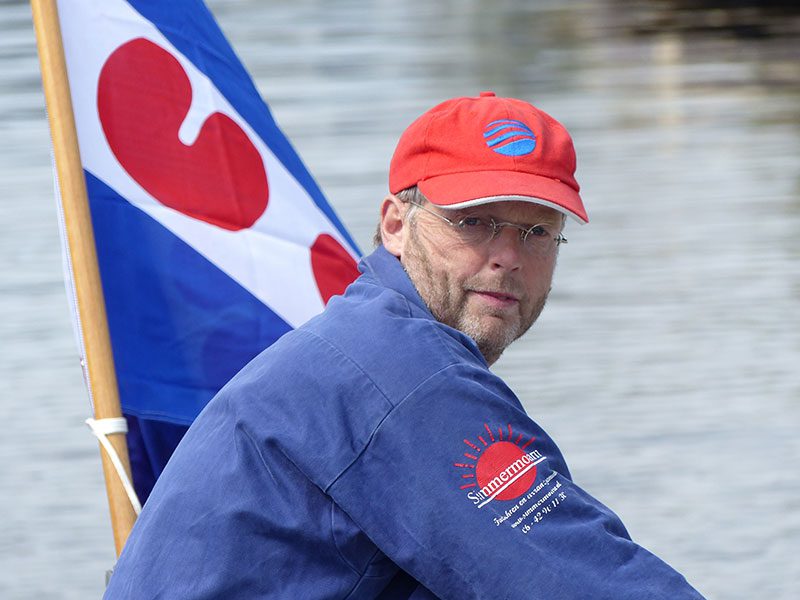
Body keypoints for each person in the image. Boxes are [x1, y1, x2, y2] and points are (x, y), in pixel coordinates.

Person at [104, 92, 705, 599]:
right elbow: (579, 578)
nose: (507, 256)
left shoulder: (365, 341)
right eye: (473, 222)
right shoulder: (404, 377)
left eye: (537, 231)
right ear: (396, 224)